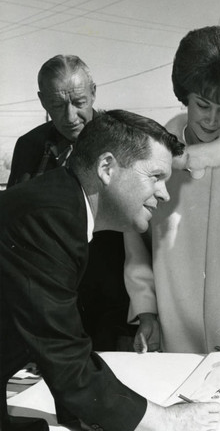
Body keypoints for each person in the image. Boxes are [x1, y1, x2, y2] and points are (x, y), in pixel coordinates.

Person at [0, 110, 220, 431]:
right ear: (106, 168)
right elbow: (62, 351)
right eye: (156, 176)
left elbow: (21, 321)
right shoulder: (49, 218)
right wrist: (167, 421)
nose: (164, 193)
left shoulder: (62, 205)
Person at [124, 26, 220, 354]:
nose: (211, 120)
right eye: (202, 105)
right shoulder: (151, 159)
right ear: (185, 95)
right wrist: (146, 311)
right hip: (168, 341)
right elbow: (135, 247)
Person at [8, 54, 130, 351]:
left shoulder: (126, 141)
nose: (70, 116)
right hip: (46, 305)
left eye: (78, 102)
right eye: (57, 105)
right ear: (41, 101)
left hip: (114, 300)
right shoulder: (30, 146)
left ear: (93, 92)